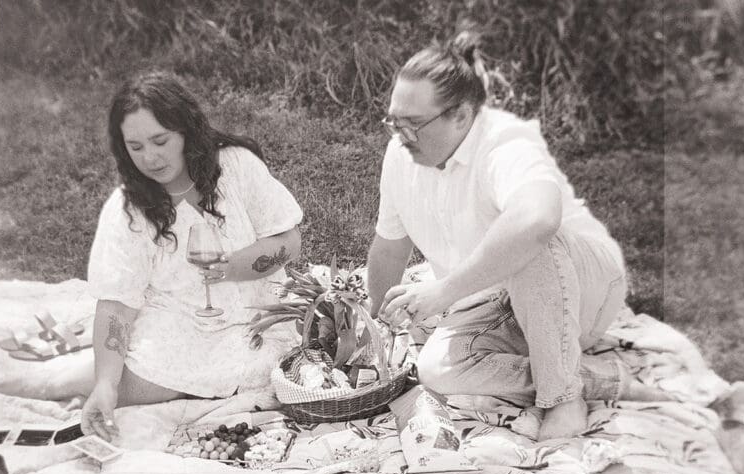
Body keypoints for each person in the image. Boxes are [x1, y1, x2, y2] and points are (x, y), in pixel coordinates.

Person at [368, 33, 665, 440]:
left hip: (580, 288)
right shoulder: (400, 155)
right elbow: (389, 245)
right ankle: (597, 378)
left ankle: (562, 398)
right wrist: (373, 324)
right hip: (494, 294)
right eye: (394, 120)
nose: (400, 134)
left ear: (461, 115)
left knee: (526, 241)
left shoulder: (504, 144)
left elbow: (539, 222)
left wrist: (444, 292)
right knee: (435, 369)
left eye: (414, 123)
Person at [81, 71, 303, 440]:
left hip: (258, 317)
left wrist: (232, 267)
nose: (150, 158)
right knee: (116, 385)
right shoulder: (127, 208)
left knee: (281, 371)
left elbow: (289, 241)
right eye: (136, 147)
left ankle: (112, 376)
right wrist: (106, 383)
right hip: (177, 323)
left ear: (185, 130)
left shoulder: (236, 166)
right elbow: (116, 305)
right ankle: (82, 376)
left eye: (160, 141)